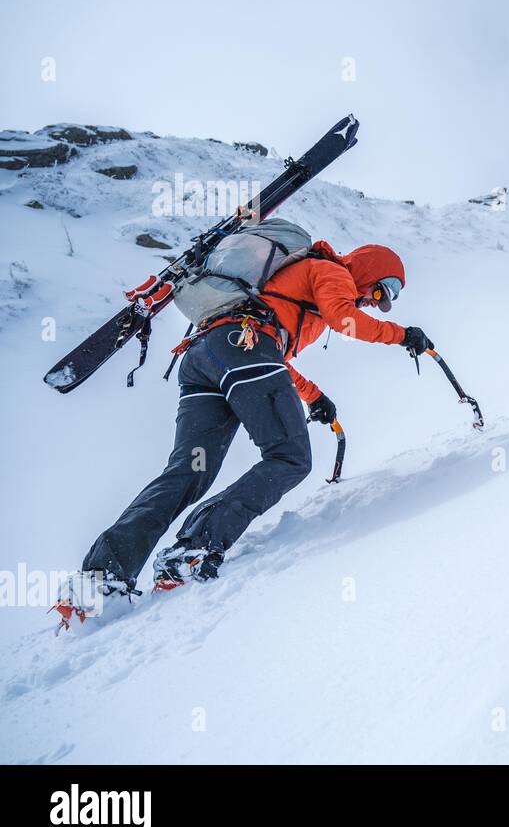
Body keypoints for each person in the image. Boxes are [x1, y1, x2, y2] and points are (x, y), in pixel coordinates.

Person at [53, 239, 435, 629]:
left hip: (206, 357)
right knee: (290, 457)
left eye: (388, 299)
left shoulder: (306, 282)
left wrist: (314, 396)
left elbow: (276, 357)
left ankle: (99, 579)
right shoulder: (333, 271)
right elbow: (344, 319)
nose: (377, 302)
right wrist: (402, 335)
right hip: (243, 348)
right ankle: (191, 551)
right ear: (368, 270)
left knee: (188, 471)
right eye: (381, 290)